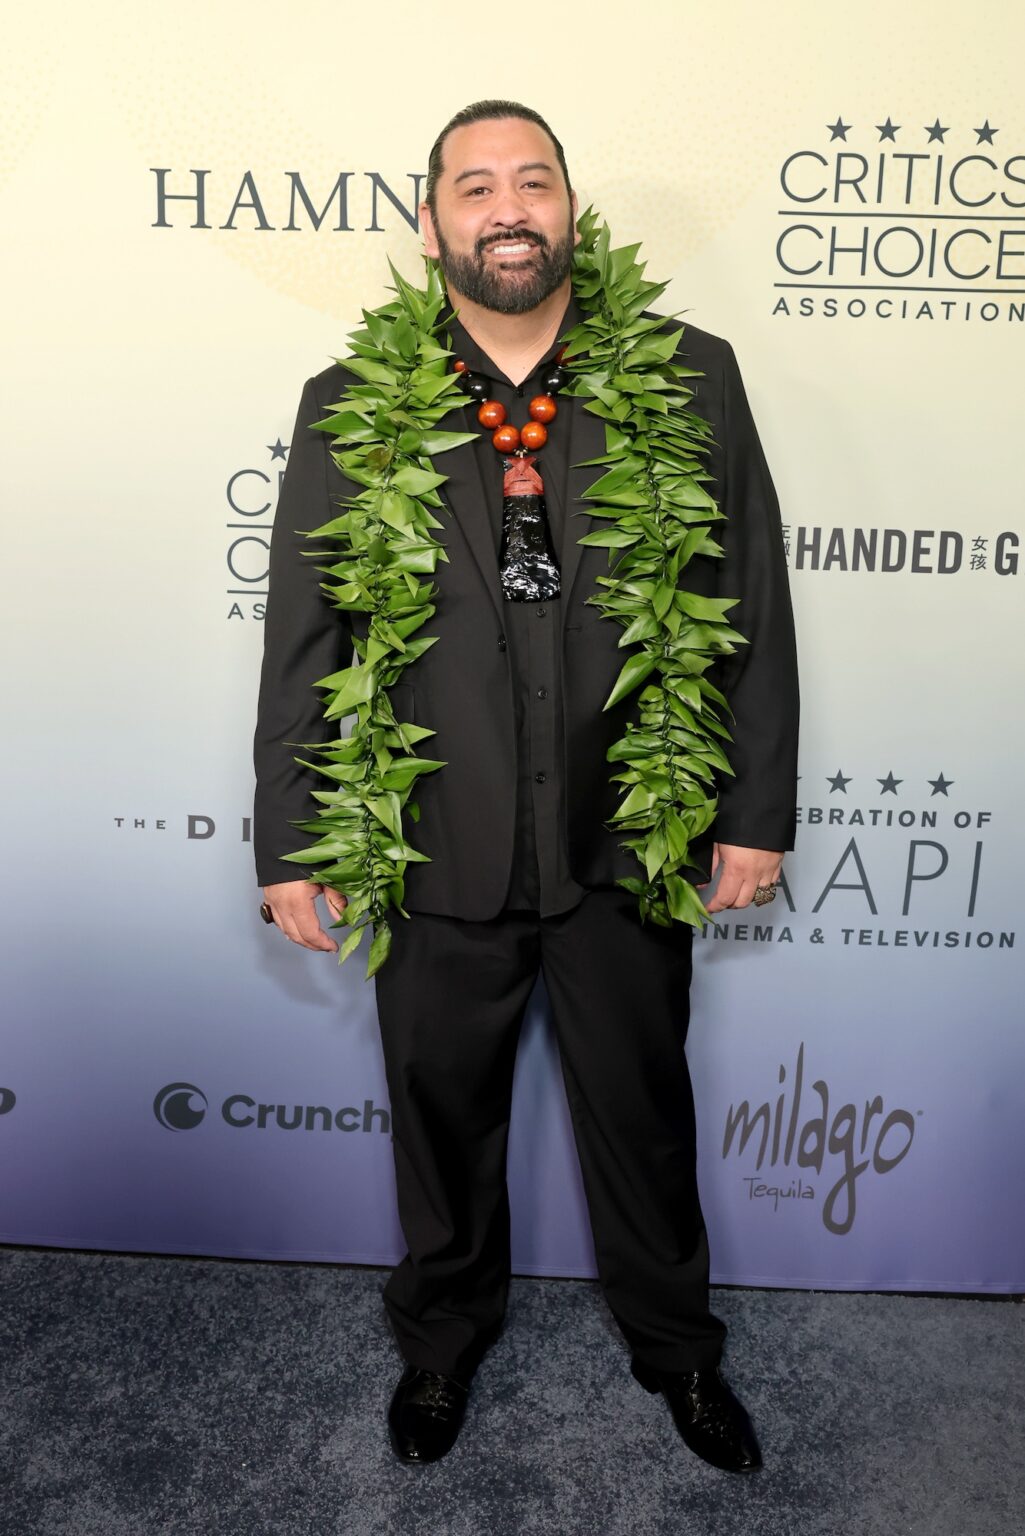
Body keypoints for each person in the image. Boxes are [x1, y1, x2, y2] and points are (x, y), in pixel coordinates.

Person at [253, 100, 798, 1473]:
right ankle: (440, 1350)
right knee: (440, 1124)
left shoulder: (694, 373)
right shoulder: (349, 403)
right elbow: (307, 641)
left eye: (533, 181)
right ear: (428, 221)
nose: (508, 206)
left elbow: (754, 600)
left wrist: (750, 810)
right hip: (433, 842)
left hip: (629, 829)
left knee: (641, 1115)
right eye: (474, 185)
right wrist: (289, 841)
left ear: (569, 209)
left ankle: (677, 1352)